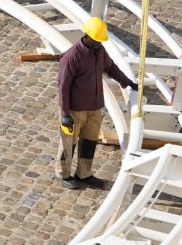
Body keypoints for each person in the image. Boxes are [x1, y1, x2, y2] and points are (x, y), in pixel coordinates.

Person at [56, 16, 134, 188]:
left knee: (89, 142)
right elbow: (63, 86)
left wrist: (127, 81)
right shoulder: (71, 57)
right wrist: (65, 114)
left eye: (101, 41)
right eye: (97, 40)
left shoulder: (99, 51)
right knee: (69, 142)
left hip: (94, 108)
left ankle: (84, 173)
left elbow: (111, 67)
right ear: (87, 36)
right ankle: (63, 173)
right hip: (75, 110)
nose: (99, 44)